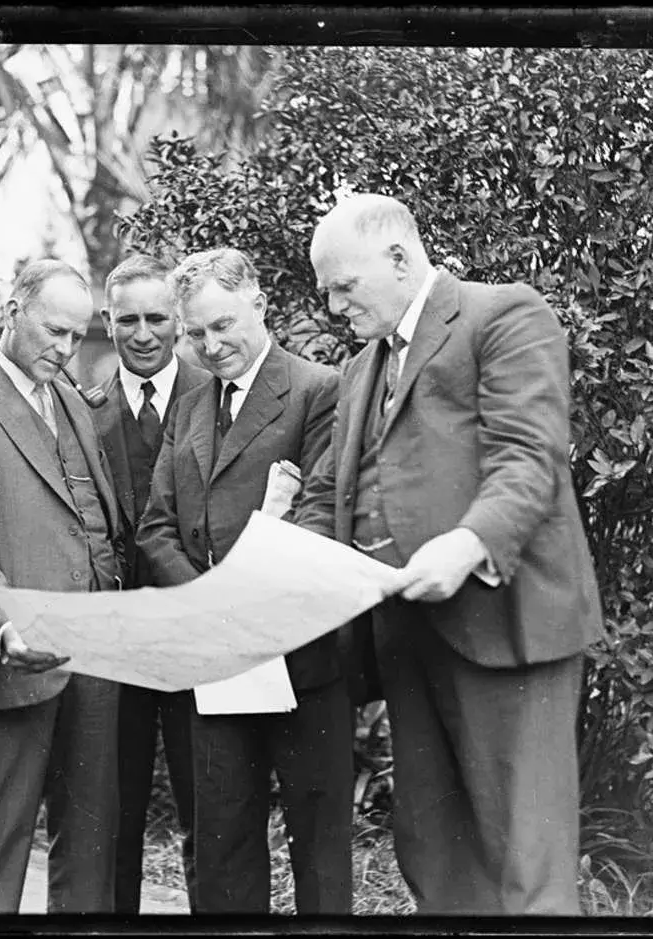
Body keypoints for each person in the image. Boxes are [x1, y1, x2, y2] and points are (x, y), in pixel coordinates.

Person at [296, 193, 604, 915]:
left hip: (504, 628)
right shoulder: (357, 371)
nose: (336, 306)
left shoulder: (502, 315)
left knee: (528, 866)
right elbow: (329, 498)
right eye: (328, 293)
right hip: (407, 638)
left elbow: (529, 460)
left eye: (346, 286)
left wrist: (466, 545)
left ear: (399, 259)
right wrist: (278, 561)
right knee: (435, 857)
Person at [136, 247, 352, 914]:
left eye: (223, 325)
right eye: (196, 333)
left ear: (260, 303)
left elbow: (322, 518)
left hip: (301, 661)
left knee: (319, 849)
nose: (211, 344)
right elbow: (155, 528)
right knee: (222, 846)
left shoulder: (318, 389)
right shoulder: (191, 405)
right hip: (217, 659)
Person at [0, 258, 126, 913]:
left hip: (92, 661)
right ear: (11, 311)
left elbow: (94, 523)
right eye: (52, 330)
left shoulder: (71, 397)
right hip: (12, 661)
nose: (65, 348)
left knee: (90, 853)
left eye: (76, 334)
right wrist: (4, 623)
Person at [89, 254, 211, 913]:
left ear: (180, 322)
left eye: (157, 318)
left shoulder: (215, 397)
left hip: (198, 642)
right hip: (118, 649)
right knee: (115, 819)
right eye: (127, 319)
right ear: (107, 322)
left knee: (211, 815)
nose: (142, 333)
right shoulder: (83, 412)